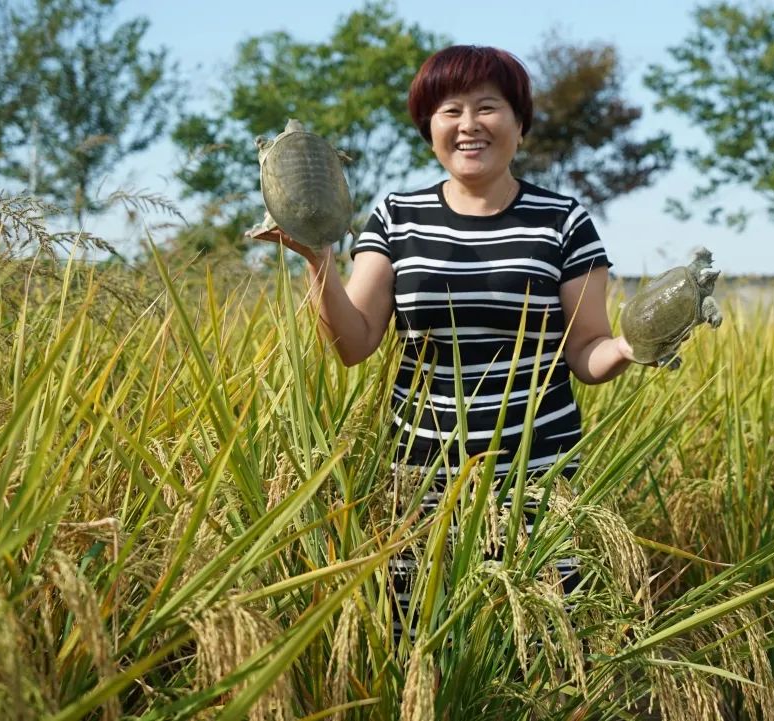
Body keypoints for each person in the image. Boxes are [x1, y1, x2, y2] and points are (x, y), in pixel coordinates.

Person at [251, 45, 641, 630]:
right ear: (428, 126)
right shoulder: (397, 216)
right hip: (422, 479)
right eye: (449, 110)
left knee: (545, 644)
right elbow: (354, 343)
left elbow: (587, 350)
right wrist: (317, 261)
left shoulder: (563, 221)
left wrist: (630, 348)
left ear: (518, 121)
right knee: (424, 638)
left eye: (487, 107)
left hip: (538, 478)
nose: (468, 125)